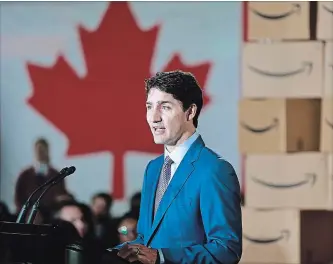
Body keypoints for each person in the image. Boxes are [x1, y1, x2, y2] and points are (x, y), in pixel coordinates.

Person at [113, 71, 242, 263]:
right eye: (149, 107)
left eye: (165, 107)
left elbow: (226, 250)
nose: (153, 117)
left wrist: (163, 258)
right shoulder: (153, 168)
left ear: (190, 112)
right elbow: (146, 239)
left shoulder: (215, 169)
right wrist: (103, 253)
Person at [14, 137, 68, 216]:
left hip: (50, 215)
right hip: (28, 216)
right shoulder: (25, 175)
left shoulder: (56, 174)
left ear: (48, 151)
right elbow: (18, 198)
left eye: (43, 150)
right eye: (38, 150)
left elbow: (61, 194)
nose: (40, 153)